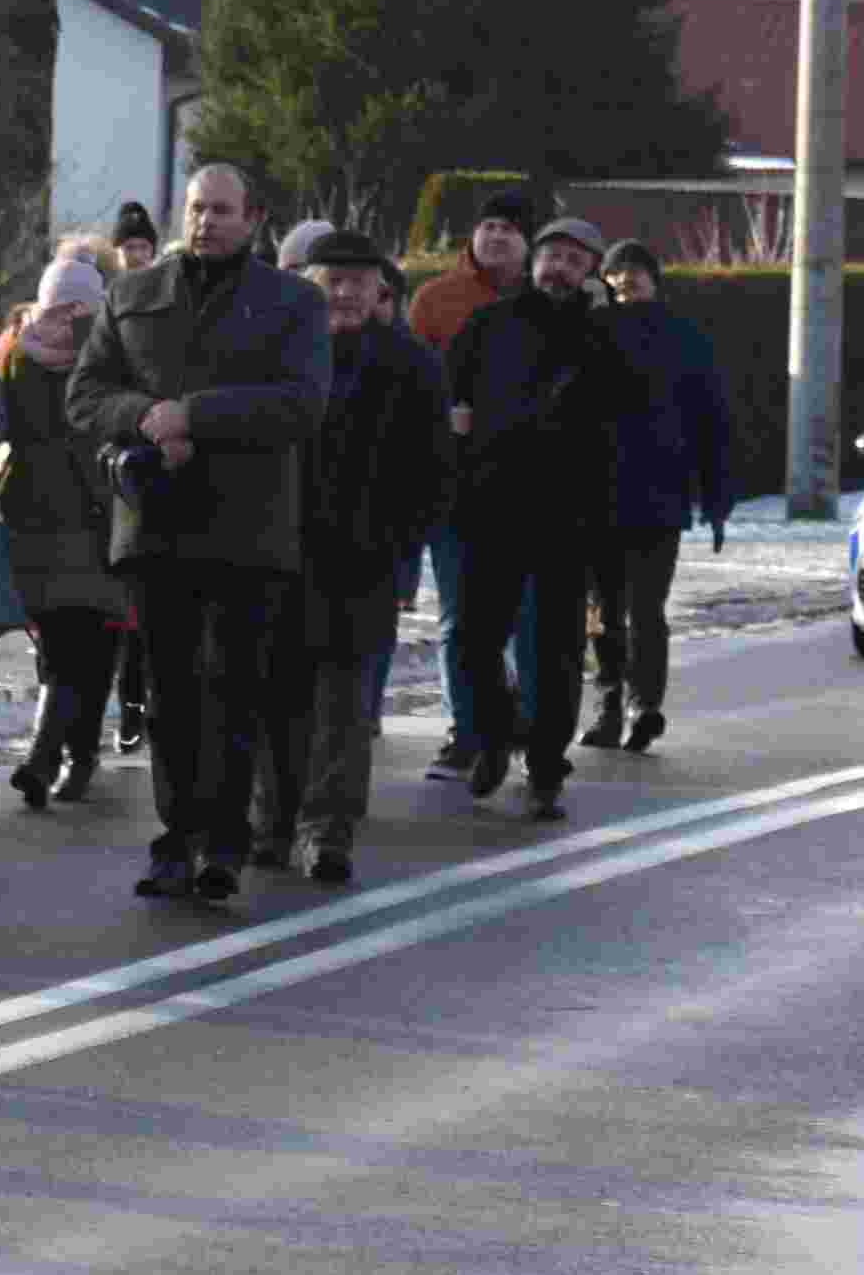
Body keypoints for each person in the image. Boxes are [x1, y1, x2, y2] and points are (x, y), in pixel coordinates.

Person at [64, 163, 336, 906]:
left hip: (249, 530)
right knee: (171, 696)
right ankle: (176, 840)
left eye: (221, 210)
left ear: (252, 219)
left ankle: (225, 842)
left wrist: (198, 416)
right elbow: (85, 394)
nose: (205, 221)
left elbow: (301, 403)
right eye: (194, 208)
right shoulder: (133, 294)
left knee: (235, 691)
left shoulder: (293, 303)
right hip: (157, 524)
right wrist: (146, 419)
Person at [441, 216, 642, 821]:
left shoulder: (606, 339)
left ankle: (546, 767)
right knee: (475, 641)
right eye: (552, 254)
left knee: (556, 652)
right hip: (490, 507)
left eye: (576, 260)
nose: (560, 267)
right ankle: (497, 734)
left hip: (569, 518)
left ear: (591, 274)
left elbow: (625, 426)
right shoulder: (488, 326)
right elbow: (454, 406)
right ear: (533, 261)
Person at [272, 230, 453, 884]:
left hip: (364, 559)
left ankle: (328, 830)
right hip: (278, 553)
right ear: (306, 282)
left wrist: (399, 545)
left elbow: (435, 470)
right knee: (281, 697)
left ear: (380, 289)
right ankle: (276, 818)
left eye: (356, 281)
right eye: (331, 278)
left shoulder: (411, 364)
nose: (342, 292)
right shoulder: (277, 355)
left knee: (346, 706)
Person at [0, 256, 132, 812]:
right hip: (97, 516)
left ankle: (57, 759)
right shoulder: (110, 351)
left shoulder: (14, 352)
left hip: (39, 517)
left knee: (65, 647)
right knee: (88, 649)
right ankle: (66, 759)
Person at [402, 190, 542, 763]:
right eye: (487, 225)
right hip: (454, 484)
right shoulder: (437, 300)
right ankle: (468, 729)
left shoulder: (549, 302)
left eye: (510, 227)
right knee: (461, 614)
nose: (497, 236)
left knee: (529, 618)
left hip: (530, 490)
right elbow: (406, 385)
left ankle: (533, 724)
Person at [590, 239, 738, 756]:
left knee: (646, 608)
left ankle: (643, 705)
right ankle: (609, 706)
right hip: (595, 498)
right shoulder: (591, 331)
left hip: (659, 496)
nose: (625, 280)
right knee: (604, 614)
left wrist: (718, 499)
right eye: (616, 272)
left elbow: (712, 421)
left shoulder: (683, 337)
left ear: (654, 279)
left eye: (635, 271)